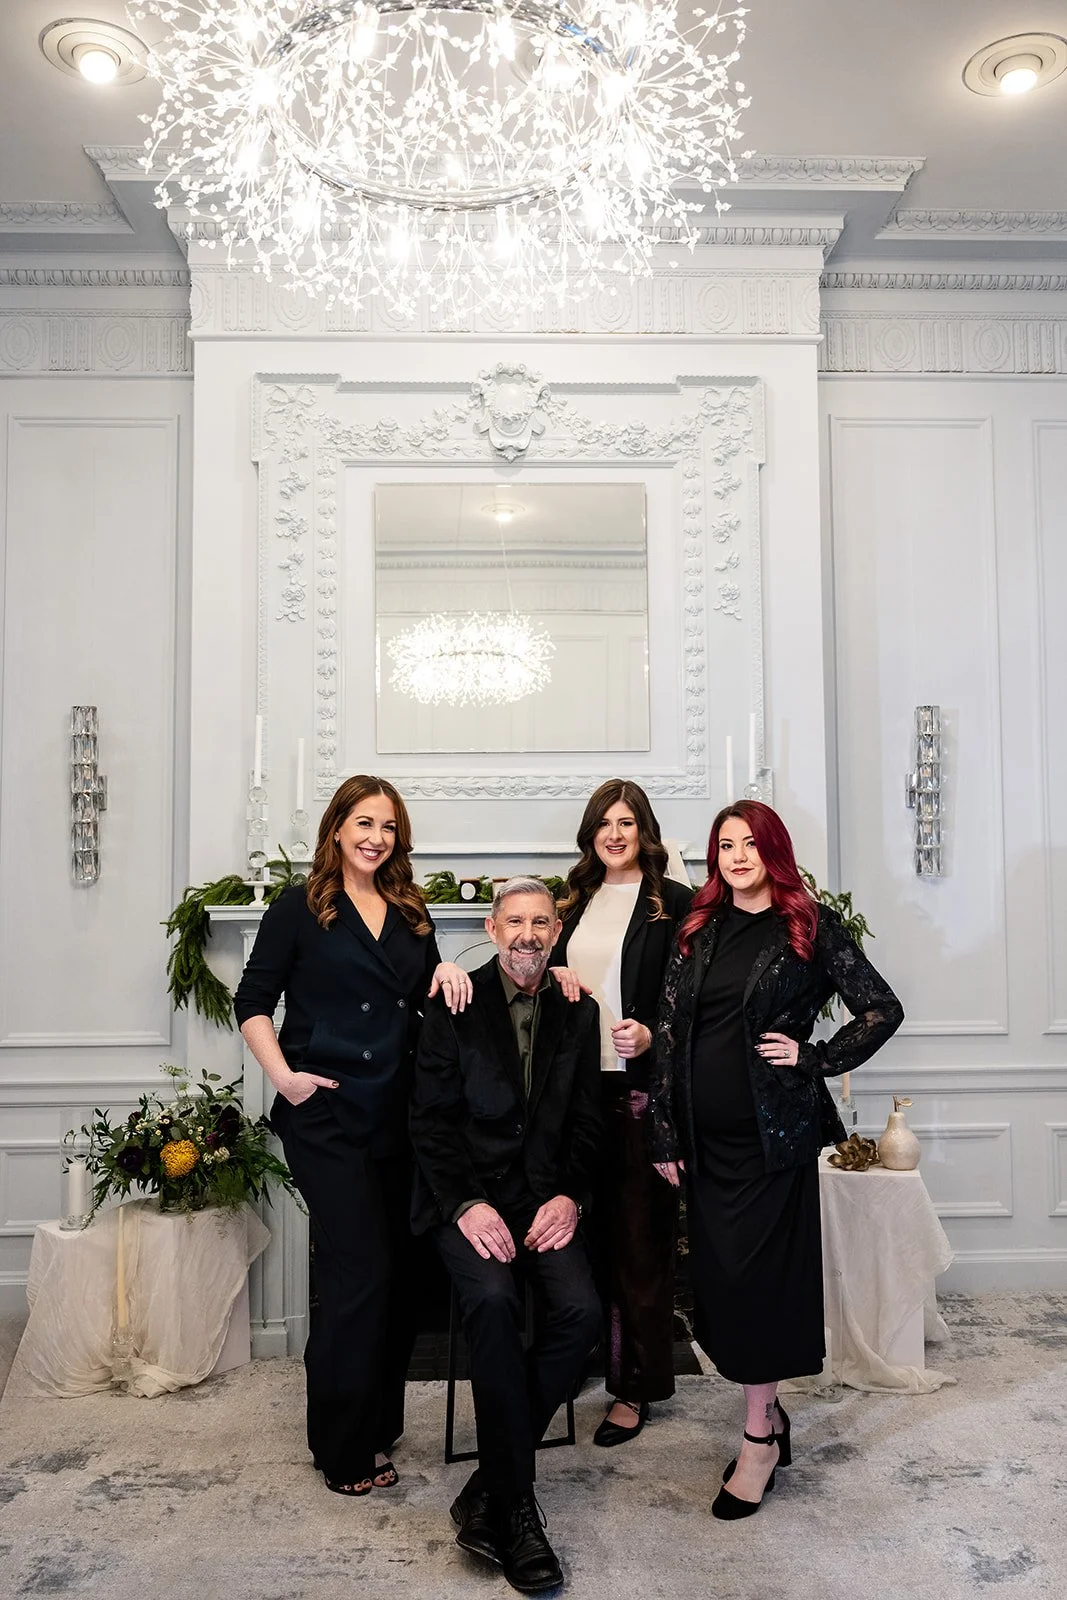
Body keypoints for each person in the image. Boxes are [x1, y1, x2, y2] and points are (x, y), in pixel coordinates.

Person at [648, 801, 903, 1519]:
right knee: (720, 1288)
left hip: (769, 1143)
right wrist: (663, 1135)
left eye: (749, 843)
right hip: (701, 1143)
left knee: (758, 1288)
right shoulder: (697, 928)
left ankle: (758, 1435)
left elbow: (880, 1009)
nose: (735, 856)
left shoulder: (808, 925)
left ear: (773, 850)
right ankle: (768, 1416)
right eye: (723, 845)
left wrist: (814, 1057)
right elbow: (668, 1036)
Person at [233, 775, 472, 1498]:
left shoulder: (407, 908)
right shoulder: (298, 907)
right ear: (336, 828)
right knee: (356, 1276)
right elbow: (251, 1001)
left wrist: (454, 972)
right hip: (328, 1115)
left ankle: (376, 1420)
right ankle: (341, 1445)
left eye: (389, 828)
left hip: (399, 1117)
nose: (375, 837)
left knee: (398, 1278)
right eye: (363, 822)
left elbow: (427, 992)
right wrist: (285, 1078)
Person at [410, 877, 602, 1595]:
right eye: (514, 922)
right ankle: (517, 1506)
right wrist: (463, 1203)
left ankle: (491, 1481)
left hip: (543, 1199)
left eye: (541, 923)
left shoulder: (578, 1010)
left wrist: (570, 1198)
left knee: (581, 1312)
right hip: (469, 1202)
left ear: (556, 933)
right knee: (490, 1303)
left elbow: (588, 1122)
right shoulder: (452, 1001)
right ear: (492, 930)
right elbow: (428, 1121)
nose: (528, 934)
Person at [550, 779, 693, 1447]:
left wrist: (650, 1039)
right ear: (589, 833)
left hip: (640, 1098)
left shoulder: (675, 904)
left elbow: (693, 1004)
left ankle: (633, 1387)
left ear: (644, 832)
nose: (614, 832)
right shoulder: (570, 903)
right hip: (578, 1097)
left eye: (626, 822)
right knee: (583, 1242)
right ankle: (586, 1360)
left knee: (640, 1248)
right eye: (603, 822)